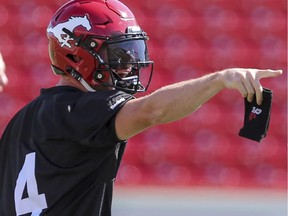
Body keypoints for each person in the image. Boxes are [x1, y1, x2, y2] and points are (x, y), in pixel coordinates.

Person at [0, 0, 282, 215]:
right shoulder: (80, 110)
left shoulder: (21, 121)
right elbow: (151, 111)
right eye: (117, 55)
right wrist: (219, 79)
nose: (127, 67)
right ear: (76, 54)